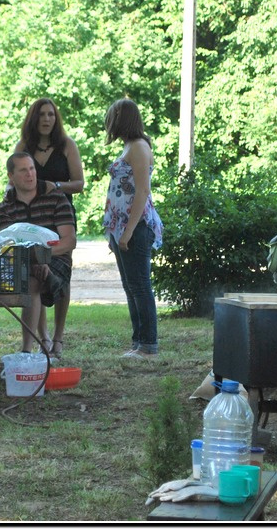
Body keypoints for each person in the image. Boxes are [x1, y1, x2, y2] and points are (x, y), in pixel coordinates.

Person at [13, 98, 85, 356]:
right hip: (32, 216)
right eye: (42, 115)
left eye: (51, 115)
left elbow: (79, 183)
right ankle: (42, 336)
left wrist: (55, 186)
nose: (46, 119)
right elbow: (12, 177)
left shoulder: (67, 145)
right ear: (34, 119)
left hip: (60, 214)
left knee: (61, 273)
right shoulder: (24, 146)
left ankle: (58, 336)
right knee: (37, 273)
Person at [0, 152, 77, 355]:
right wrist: (33, 261)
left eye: (32, 168)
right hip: (22, 261)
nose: (30, 174)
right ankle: (30, 349)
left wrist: (43, 257)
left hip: (57, 256)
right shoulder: (3, 208)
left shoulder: (56, 198)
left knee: (36, 278)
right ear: (11, 177)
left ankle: (55, 339)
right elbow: (9, 245)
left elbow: (69, 241)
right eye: (23, 170)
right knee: (32, 280)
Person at [103, 98, 164, 359]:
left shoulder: (138, 147)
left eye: (111, 117)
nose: (108, 122)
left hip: (136, 227)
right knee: (131, 286)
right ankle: (138, 342)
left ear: (121, 117)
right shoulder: (130, 145)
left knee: (140, 286)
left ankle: (148, 345)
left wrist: (127, 231)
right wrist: (115, 232)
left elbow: (142, 191)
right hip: (122, 228)